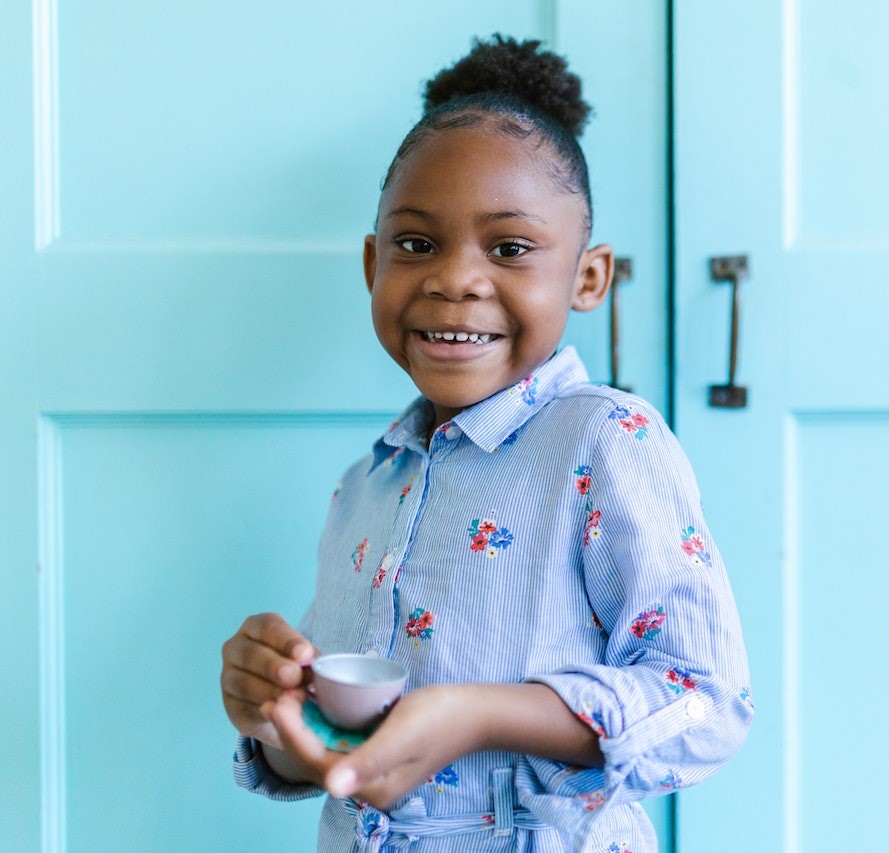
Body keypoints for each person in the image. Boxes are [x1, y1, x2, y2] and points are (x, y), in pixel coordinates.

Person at [219, 34, 751, 852]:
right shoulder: (367, 482)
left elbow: (703, 704)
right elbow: (343, 752)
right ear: (372, 264)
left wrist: (478, 713)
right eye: (416, 243)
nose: (455, 279)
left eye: (508, 248)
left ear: (587, 277)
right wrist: (277, 715)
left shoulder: (606, 439)